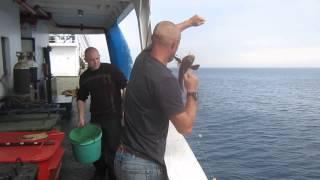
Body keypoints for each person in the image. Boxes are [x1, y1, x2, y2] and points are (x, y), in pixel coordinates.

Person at [114, 15, 205, 180]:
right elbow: (185, 127)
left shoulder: (142, 59)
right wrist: (192, 91)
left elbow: (164, 34)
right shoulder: (165, 79)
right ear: (174, 45)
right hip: (142, 168)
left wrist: (189, 22)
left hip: (122, 157)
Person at [77, 47, 127, 180]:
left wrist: (126, 110)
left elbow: (125, 86)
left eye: (97, 58)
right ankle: (100, 170)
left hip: (113, 115)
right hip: (96, 117)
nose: (95, 62)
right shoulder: (85, 77)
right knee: (97, 146)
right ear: (86, 60)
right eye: (92, 60)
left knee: (112, 147)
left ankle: (113, 173)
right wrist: (81, 117)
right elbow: (81, 97)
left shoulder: (111, 70)